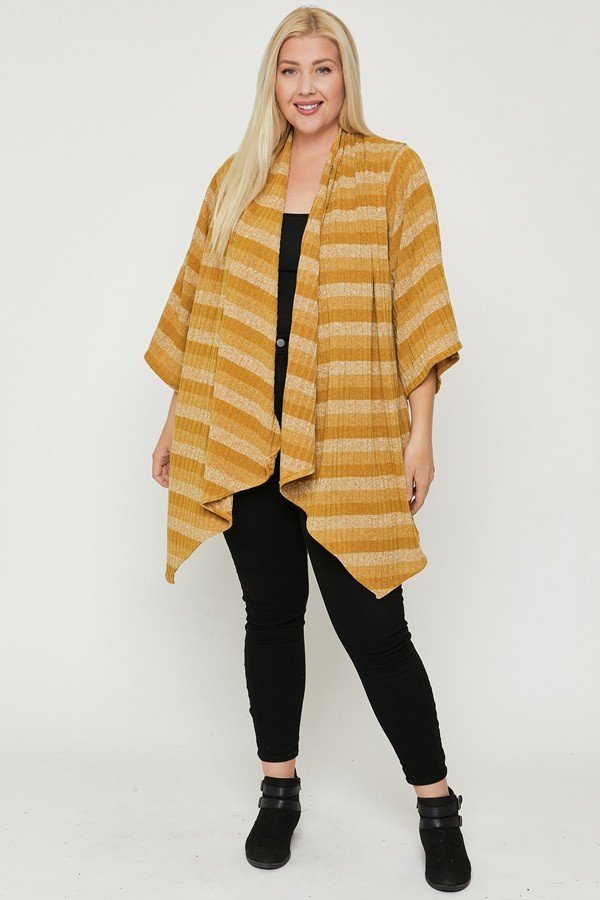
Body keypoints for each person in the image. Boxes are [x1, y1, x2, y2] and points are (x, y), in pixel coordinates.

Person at [144, 6, 471, 892]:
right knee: (271, 617)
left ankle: (437, 803)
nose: (307, 86)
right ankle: (278, 790)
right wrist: (178, 421)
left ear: (345, 77)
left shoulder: (392, 171)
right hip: (245, 430)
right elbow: (201, 310)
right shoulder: (238, 178)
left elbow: (419, 303)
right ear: (273, 83)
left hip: (351, 437)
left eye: (322, 68)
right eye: (290, 70)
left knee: (376, 628)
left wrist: (421, 432)